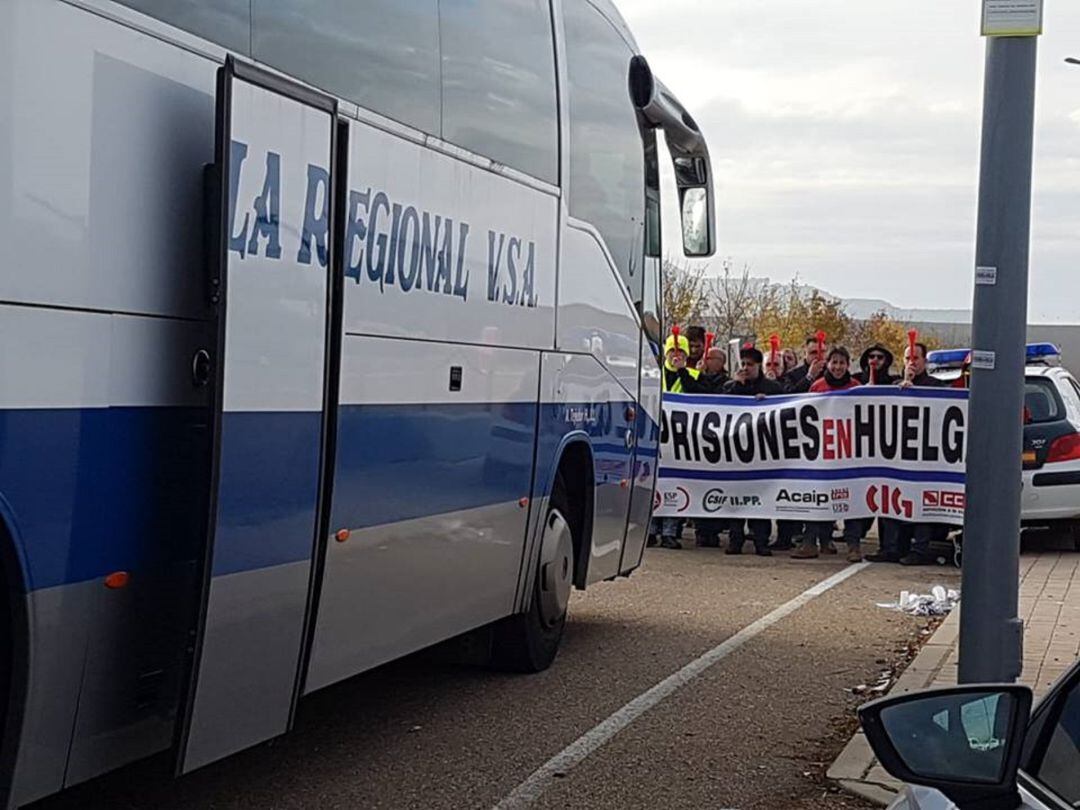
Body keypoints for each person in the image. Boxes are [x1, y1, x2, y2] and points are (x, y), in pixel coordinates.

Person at [867, 342, 949, 565]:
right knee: (890, 501)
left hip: (925, 459)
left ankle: (919, 549)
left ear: (925, 362)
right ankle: (890, 548)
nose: (911, 363)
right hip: (897, 458)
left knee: (921, 504)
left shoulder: (938, 387)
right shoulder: (895, 386)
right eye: (907, 359)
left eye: (916, 358)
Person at [792, 346, 862, 561]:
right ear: (828, 364)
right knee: (817, 497)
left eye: (842, 363)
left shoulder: (856, 388)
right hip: (821, 452)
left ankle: (853, 545)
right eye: (834, 362)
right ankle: (811, 541)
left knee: (852, 500)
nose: (838, 367)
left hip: (849, 453)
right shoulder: (817, 386)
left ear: (848, 365)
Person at [723, 346, 784, 556]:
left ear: (758, 365)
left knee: (761, 498)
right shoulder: (730, 386)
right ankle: (735, 540)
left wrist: (766, 403)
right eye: (743, 364)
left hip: (762, 452)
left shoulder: (773, 388)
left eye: (750, 364)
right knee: (736, 498)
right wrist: (738, 389)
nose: (746, 368)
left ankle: (761, 541)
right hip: (736, 452)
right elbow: (721, 408)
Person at [648, 333, 701, 550]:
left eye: (681, 353)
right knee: (653, 484)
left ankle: (670, 532)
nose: (676, 356)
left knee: (676, 486)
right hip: (656, 437)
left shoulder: (694, 375)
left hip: (681, 440)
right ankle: (650, 531)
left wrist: (683, 372)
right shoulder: (652, 374)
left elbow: (699, 395)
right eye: (672, 352)